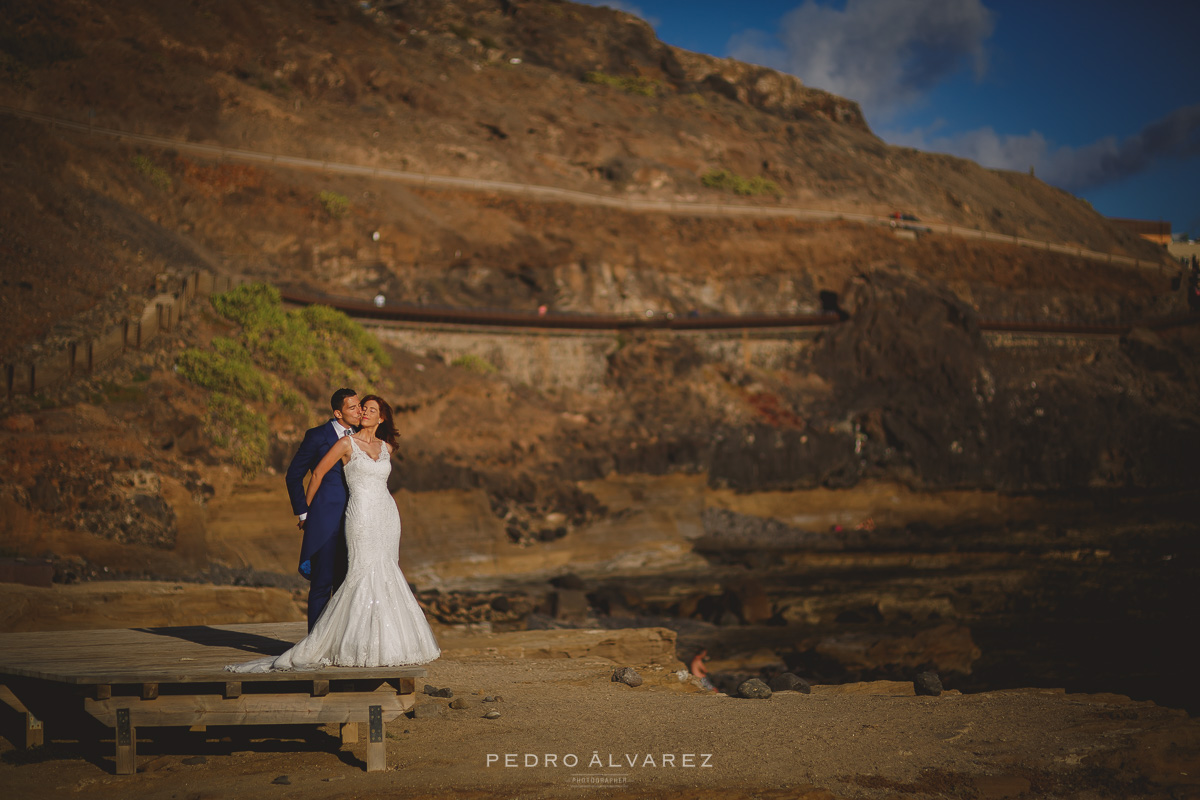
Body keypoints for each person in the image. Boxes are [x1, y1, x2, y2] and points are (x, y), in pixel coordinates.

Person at [228, 395, 440, 671]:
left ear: (382, 418)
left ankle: (384, 643)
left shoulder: (386, 447)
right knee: (360, 573)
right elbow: (316, 474)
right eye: (362, 408)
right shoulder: (345, 443)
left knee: (387, 572)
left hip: (387, 516)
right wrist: (307, 514)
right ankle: (339, 642)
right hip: (360, 515)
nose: (363, 412)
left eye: (370, 410)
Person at [286, 388, 361, 631]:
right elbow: (294, 475)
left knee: (346, 584)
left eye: (359, 406)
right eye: (352, 407)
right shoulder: (317, 436)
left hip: (356, 518)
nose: (359, 411)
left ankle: (339, 642)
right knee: (322, 582)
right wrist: (304, 512)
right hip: (324, 519)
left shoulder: (361, 436)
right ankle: (314, 645)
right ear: (338, 412)